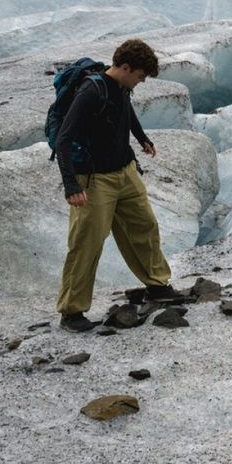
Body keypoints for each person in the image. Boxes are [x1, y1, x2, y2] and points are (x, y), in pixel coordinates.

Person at [54, 38, 176, 331]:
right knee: (87, 243)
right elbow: (64, 138)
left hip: (125, 171)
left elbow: (126, 111)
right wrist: (71, 185)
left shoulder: (122, 87)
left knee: (144, 226)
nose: (141, 82)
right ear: (124, 67)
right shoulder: (91, 91)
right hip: (95, 181)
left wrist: (142, 137)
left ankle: (157, 286)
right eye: (140, 76)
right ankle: (72, 312)